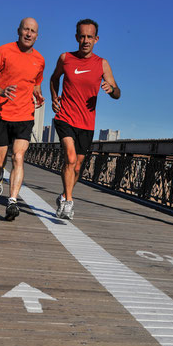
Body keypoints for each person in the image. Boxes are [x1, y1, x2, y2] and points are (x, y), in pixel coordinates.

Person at [50, 18, 121, 220]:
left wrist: (111, 89)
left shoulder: (102, 64)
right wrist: (55, 97)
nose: (85, 40)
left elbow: (118, 93)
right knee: (70, 159)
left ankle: (64, 194)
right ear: (76, 37)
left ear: (96, 39)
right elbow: (54, 78)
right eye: (82, 36)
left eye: (90, 36)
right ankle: (69, 203)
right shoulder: (65, 58)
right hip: (65, 117)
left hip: (87, 123)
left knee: (78, 166)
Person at [0, 17, 45, 220]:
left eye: (33, 31)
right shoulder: (3, 51)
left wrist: (38, 94)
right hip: (2, 114)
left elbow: (35, 83)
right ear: (18, 31)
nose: (28, 34)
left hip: (25, 115)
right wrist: (0, 90)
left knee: (18, 157)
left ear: (37, 35)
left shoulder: (40, 60)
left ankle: (12, 201)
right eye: (25, 29)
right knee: (0, 161)